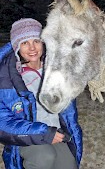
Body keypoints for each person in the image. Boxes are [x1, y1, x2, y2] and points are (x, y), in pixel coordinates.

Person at [0, 18, 82, 169]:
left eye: (36, 41)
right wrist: (44, 133)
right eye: (25, 43)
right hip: (27, 136)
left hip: (57, 132)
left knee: (69, 165)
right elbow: (3, 121)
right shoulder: (7, 78)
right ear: (17, 46)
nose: (32, 48)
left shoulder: (56, 71)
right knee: (44, 157)